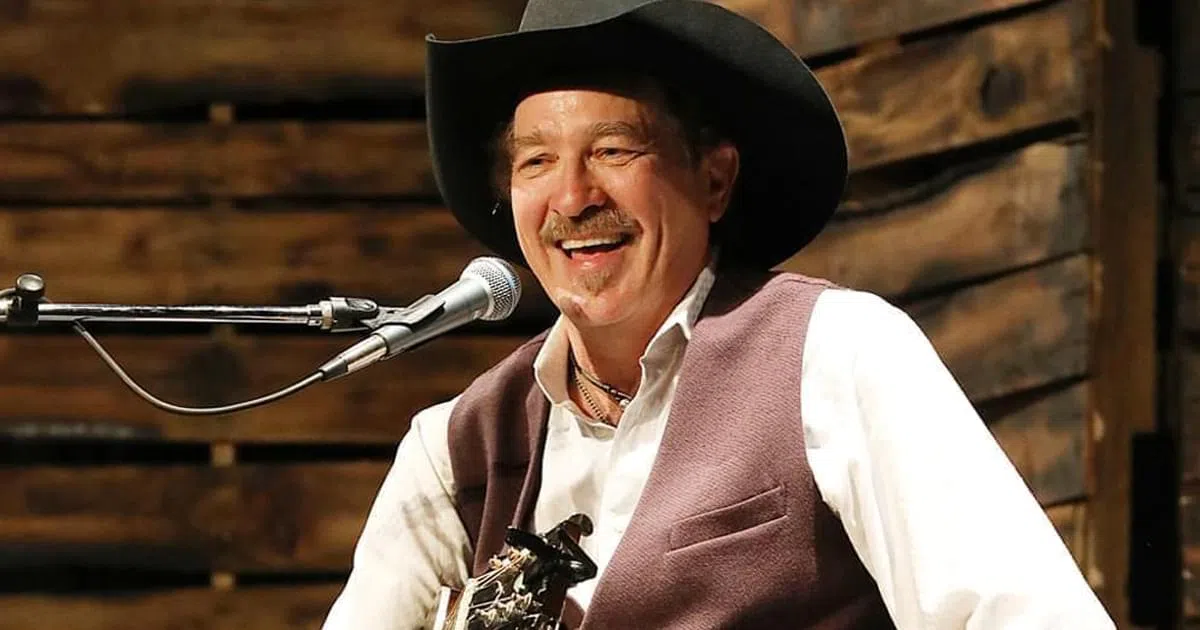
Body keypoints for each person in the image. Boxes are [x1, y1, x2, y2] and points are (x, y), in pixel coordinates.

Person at [322, 0, 1116, 627]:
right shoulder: (452, 451)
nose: (572, 196)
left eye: (613, 150)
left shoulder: (837, 354)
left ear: (713, 180)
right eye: (536, 162)